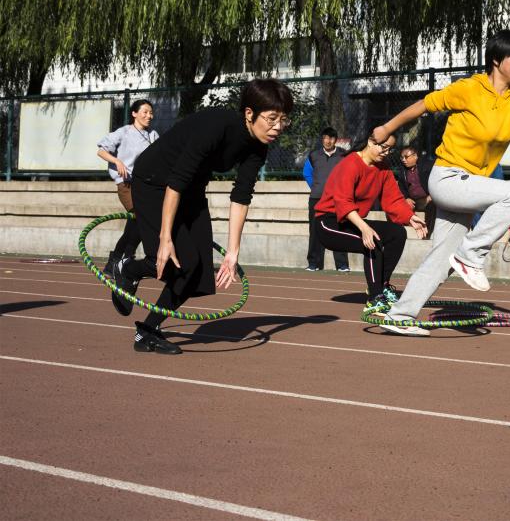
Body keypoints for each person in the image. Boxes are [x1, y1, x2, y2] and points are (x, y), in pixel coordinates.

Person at [369, 29, 510, 336]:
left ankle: (399, 315)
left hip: (470, 185)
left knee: (441, 259)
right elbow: (423, 105)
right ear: (496, 60)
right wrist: (387, 127)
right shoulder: (468, 88)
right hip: (448, 178)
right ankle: (471, 255)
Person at [107, 78, 294, 355]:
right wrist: (166, 237)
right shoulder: (215, 126)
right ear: (249, 113)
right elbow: (176, 181)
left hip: (191, 189)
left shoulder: (259, 146)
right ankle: (127, 268)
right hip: (154, 182)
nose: (278, 127)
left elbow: (241, 196)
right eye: (271, 118)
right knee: (171, 258)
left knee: (198, 272)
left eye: (283, 120)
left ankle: (147, 332)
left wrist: (232, 253)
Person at [314, 133, 428, 305]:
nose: (386, 152)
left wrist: (410, 217)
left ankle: (382, 286)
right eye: (384, 147)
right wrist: (364, 228)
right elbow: (343, 201)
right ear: (370, 141)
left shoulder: (383, 168)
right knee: (373, 241)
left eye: (390, 149)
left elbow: (393, 199)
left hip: (352, 221)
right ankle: (375, 298)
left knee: (397, 233)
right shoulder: (350, 164)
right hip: (328, 223)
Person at [96, 99, 159, 275]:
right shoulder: (123, 132)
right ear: (134, 113)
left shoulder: (153, 135)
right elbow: (101, 151)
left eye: (151, 113)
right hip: (127, 185)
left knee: (136, 224)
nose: (149, 116)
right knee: (140, 217)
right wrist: (117, 161)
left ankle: (117, 261)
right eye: (145, 112)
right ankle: (123, 259)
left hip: (146, 186)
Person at [302, 126, 351, 272]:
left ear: (335, 140)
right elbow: (306, 173)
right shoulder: (313, 155)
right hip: (317, 198)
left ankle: (342, 265)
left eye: (330, 138)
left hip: (337, 199)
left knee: (339, 230)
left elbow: (349, 174)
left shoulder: (344, 155)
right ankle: (314, 263)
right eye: (324, 138)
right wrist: (316, 187)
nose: (327, 141)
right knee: (315, 230)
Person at [395, 146, 435, 235]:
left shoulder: (427, 167)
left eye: (406, 157)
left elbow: (435, 182)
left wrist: (432, 195)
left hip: (427, 199)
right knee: (398, 206)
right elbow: (401, 188)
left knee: (433, 205)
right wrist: (406, 198)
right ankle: (401, 229)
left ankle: (427, 231)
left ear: (415, 156)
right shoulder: (403, 171)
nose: (403, 160)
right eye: (402, 157)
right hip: (413, 201)